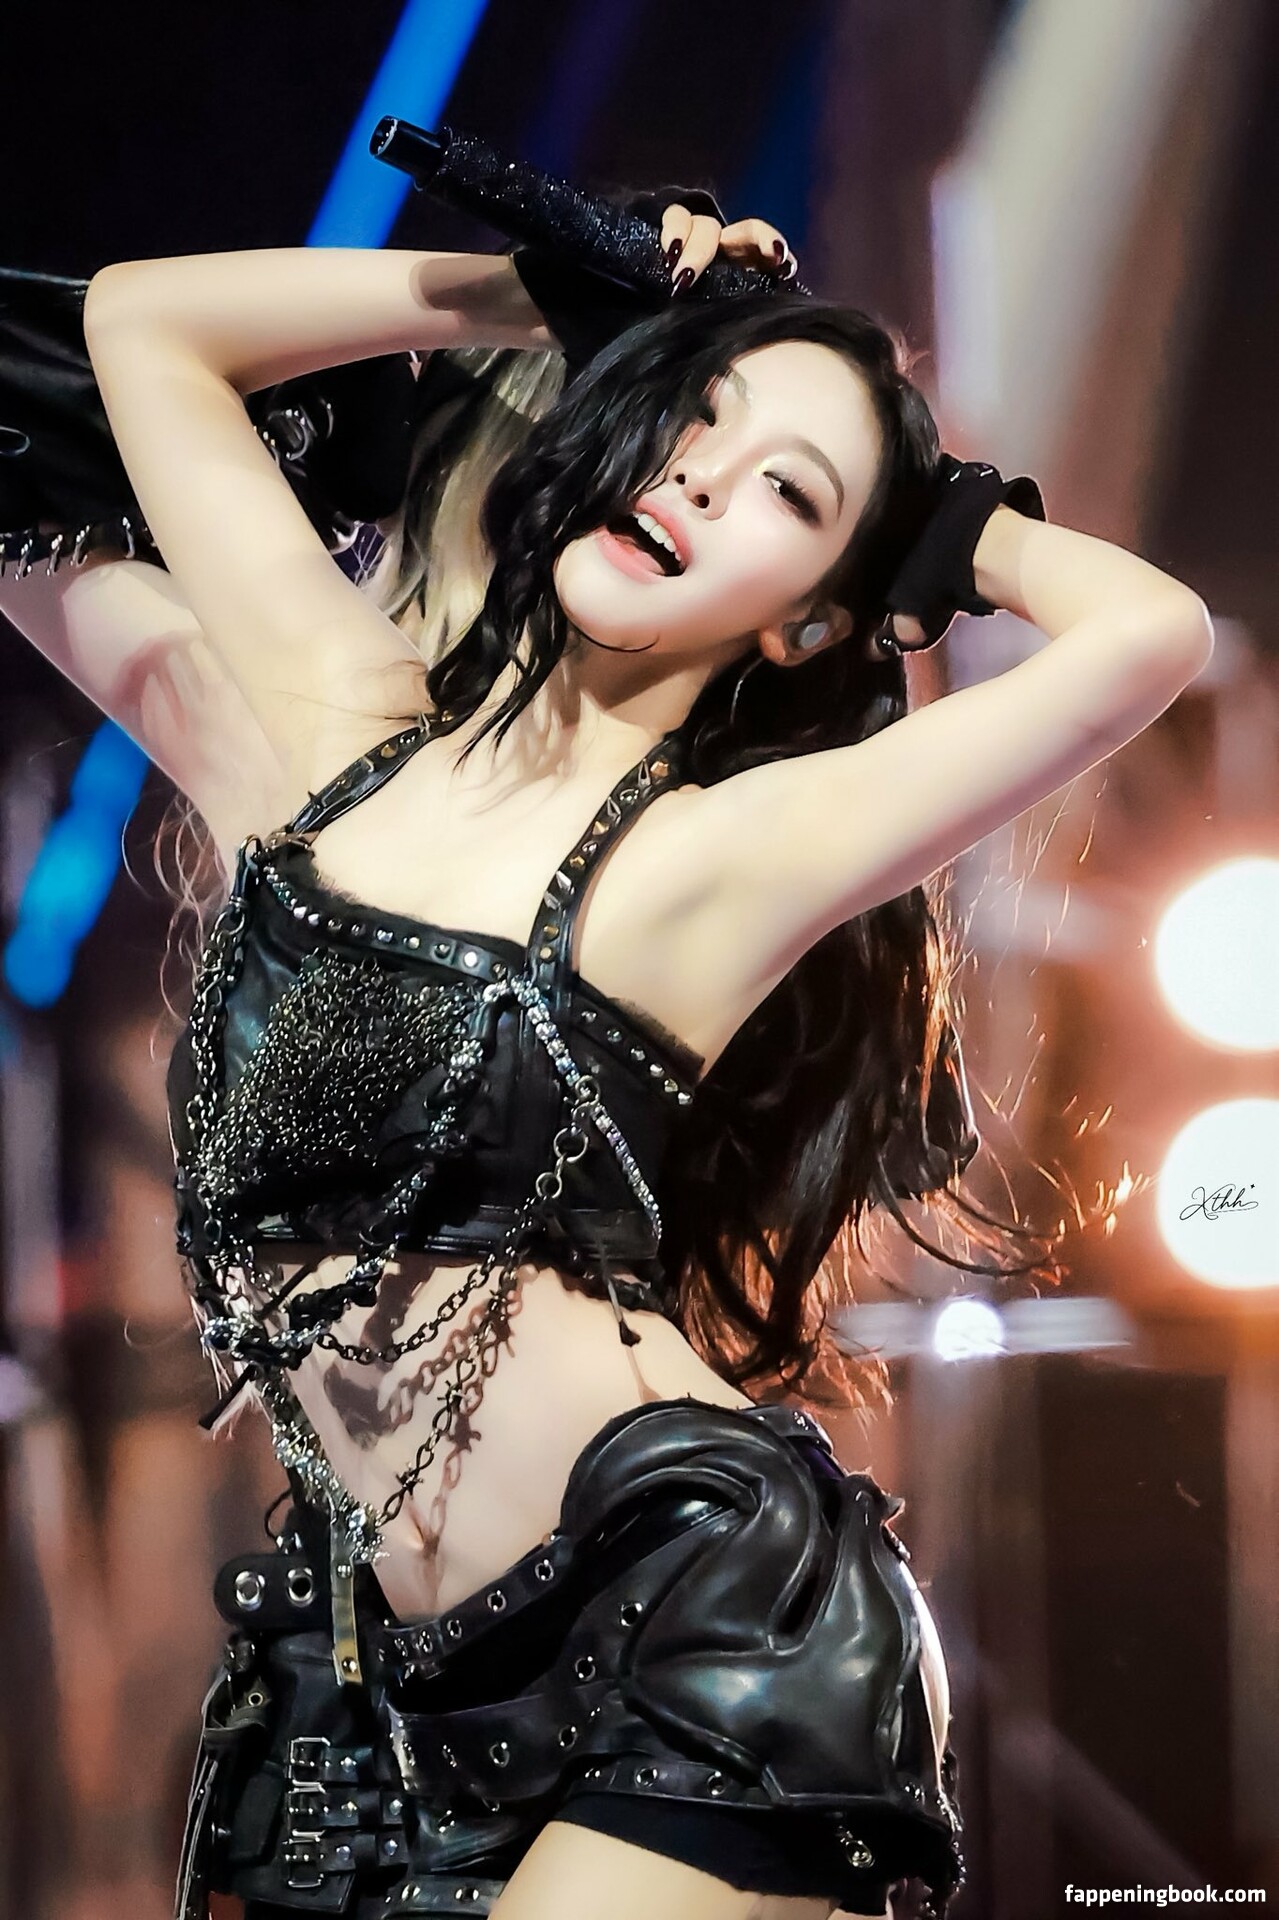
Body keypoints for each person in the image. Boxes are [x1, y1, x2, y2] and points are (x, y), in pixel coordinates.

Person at [0, 193, 1213, 1920]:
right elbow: (137, 326)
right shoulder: (335, 730)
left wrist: (936, 517)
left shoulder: (721, 857)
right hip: (381, 1686)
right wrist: (551, 290)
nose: (708, 481)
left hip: (702, 1636)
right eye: (697, 419)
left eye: (790, 494)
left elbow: (1147, 633)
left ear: (811, 616)